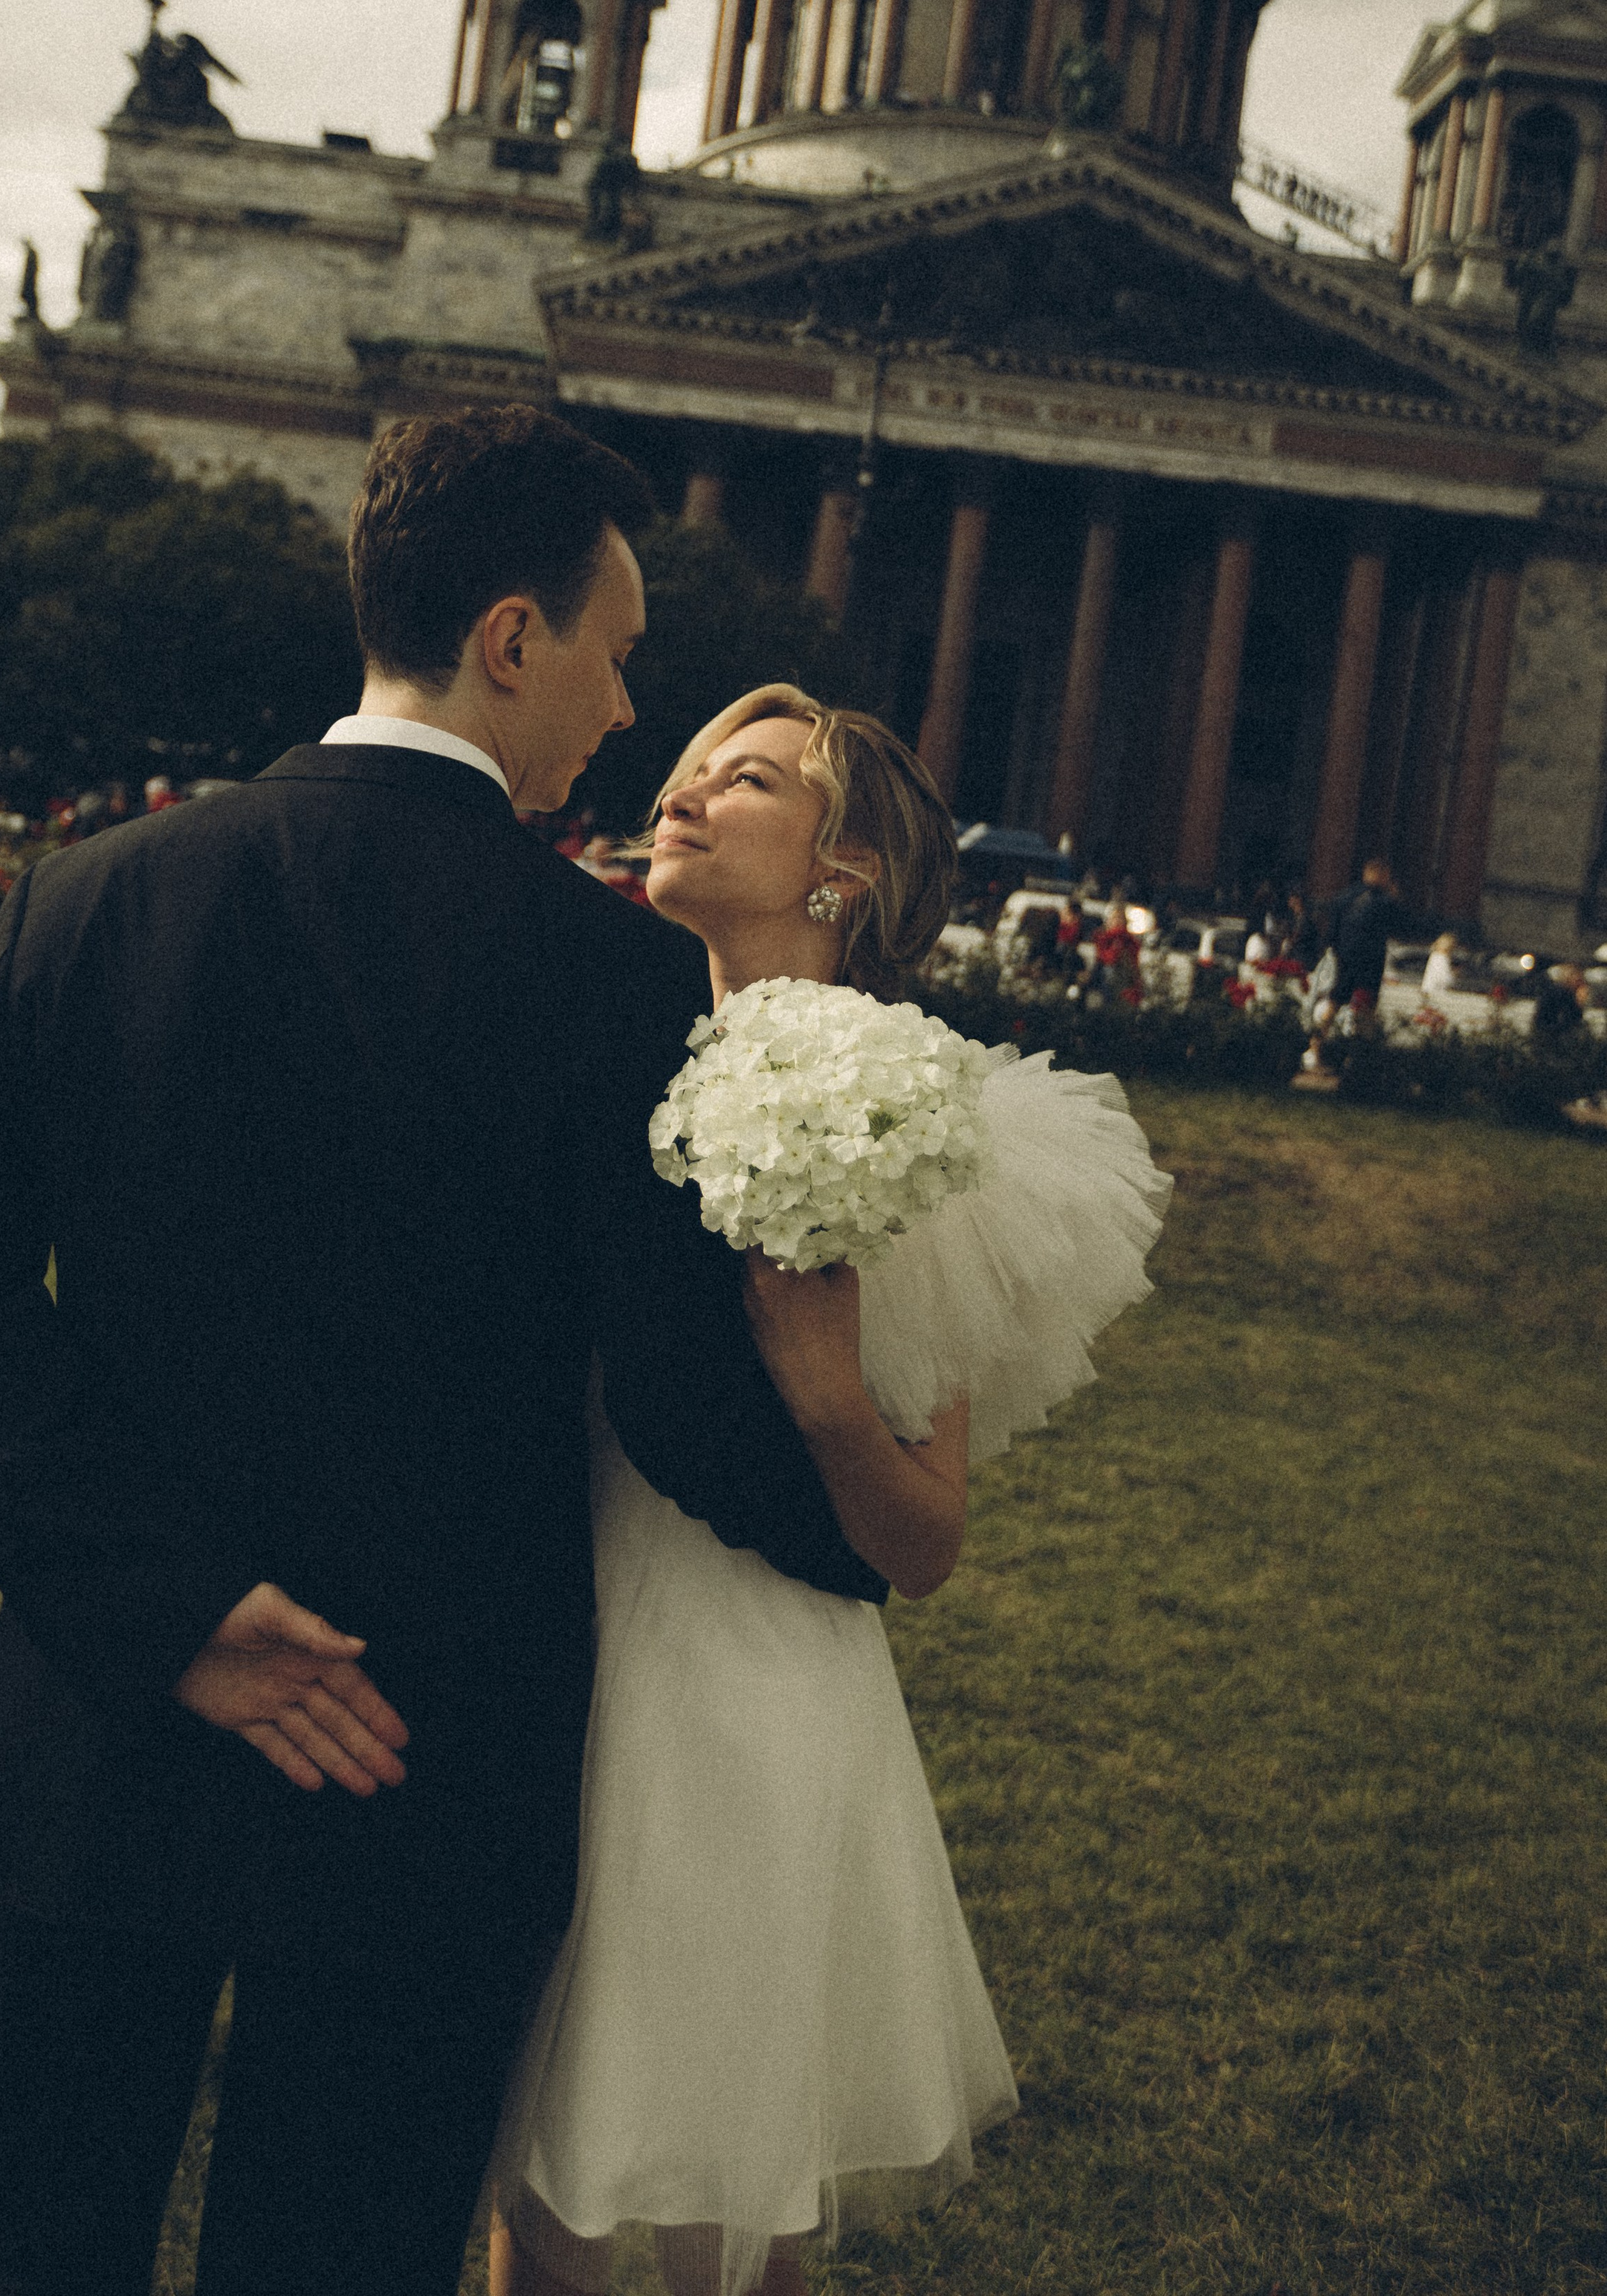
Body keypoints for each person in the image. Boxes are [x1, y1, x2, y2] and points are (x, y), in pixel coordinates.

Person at [0, 407, 878, 2296]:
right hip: (427, 1757)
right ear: (508, 637)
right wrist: (869, 1529)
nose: (628, 709)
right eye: (616, 651)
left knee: (17, 2235)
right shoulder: (607, 979)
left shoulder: (98, 892)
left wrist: (166, 1602)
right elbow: (671, 1396)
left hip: (105, 1725)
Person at [488, 687, 1169, 2296]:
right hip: (544, 1632)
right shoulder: (596, 1041)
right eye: (682, 775)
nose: (681, 798)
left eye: (744, 782)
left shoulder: (904, 1123)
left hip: (745, 1683)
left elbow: (920, 1545)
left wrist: (823, 1401)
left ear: (840, 870)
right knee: (540, 2173)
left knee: (734, 2184)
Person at [1327, 857, 1403, 1023]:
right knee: (1367, 1006)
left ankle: (1316, 1044)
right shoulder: (1383, 901)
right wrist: (1395, 899)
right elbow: (1399, 925)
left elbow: (1332, 930)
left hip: (1344, 958)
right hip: (1370, 962)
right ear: (1381, 875)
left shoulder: (1344, 897)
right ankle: (1360, 1046)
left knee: (1335, 1001)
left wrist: (1336, 949)